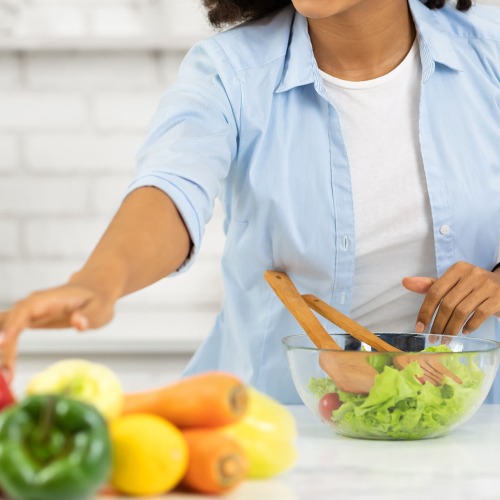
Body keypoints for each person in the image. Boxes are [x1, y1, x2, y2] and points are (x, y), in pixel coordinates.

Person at [0, 0, 499, 403]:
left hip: (476, 428)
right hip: (275, 426)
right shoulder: (229, 72)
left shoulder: (489, 47)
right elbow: (174, 186)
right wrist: (100, 281)